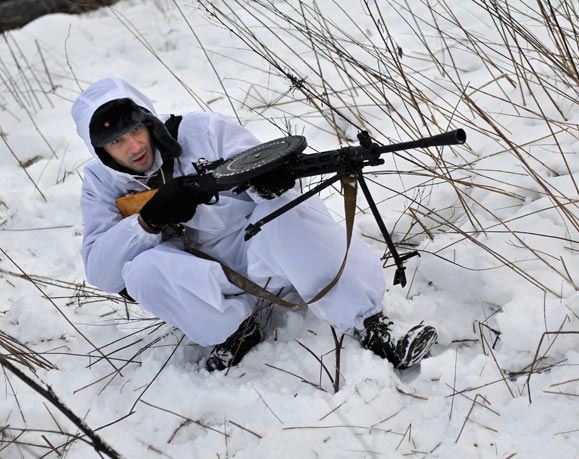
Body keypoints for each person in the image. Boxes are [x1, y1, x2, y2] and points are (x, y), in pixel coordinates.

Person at [71, 77, 437, 372]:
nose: (133, 145)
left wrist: (272, 185)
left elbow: (280, 178)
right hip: (207, 282)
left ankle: (370, 323)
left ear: (147, 120)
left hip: (261, 254)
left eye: (135, 129)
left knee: (288, 209)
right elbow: (102, 272)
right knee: (142, 270)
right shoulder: (101, 184)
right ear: (100, 152)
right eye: (116, 141)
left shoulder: (203, 131)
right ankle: (235, 332)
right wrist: (148, 222)